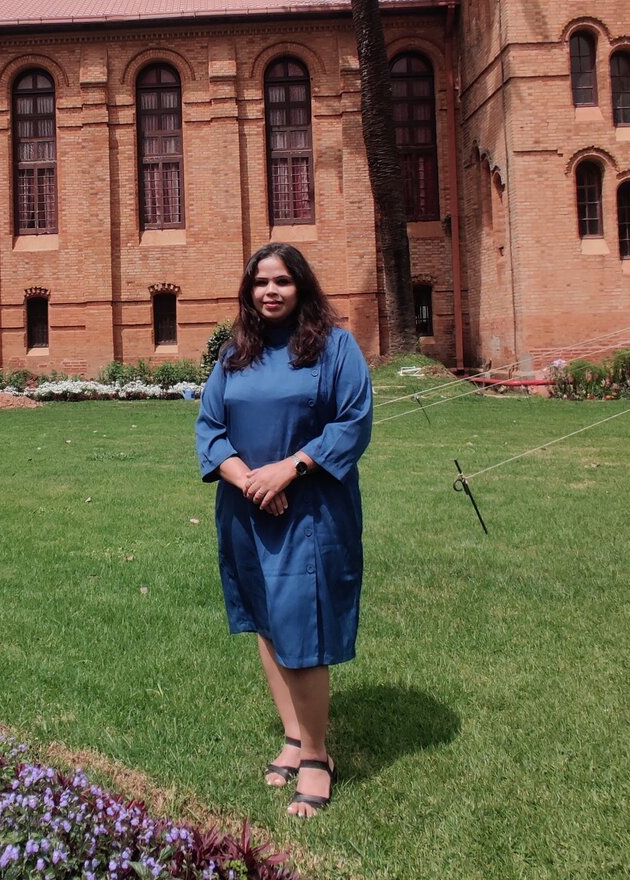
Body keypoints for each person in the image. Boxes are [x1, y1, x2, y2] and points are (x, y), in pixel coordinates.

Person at [194, 243, 372, 818]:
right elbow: (210, 428)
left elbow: (352, 422)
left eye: (283, 281)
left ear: (302, 288)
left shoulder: (335, 348)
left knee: (302, 624)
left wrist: (288, 469)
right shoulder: (233, 355)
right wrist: (247, 478)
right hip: (246, 510)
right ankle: (294, 736)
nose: (270, 291)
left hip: (310, 512)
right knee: (266, 620)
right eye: (260, 282)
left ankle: (319, 756)